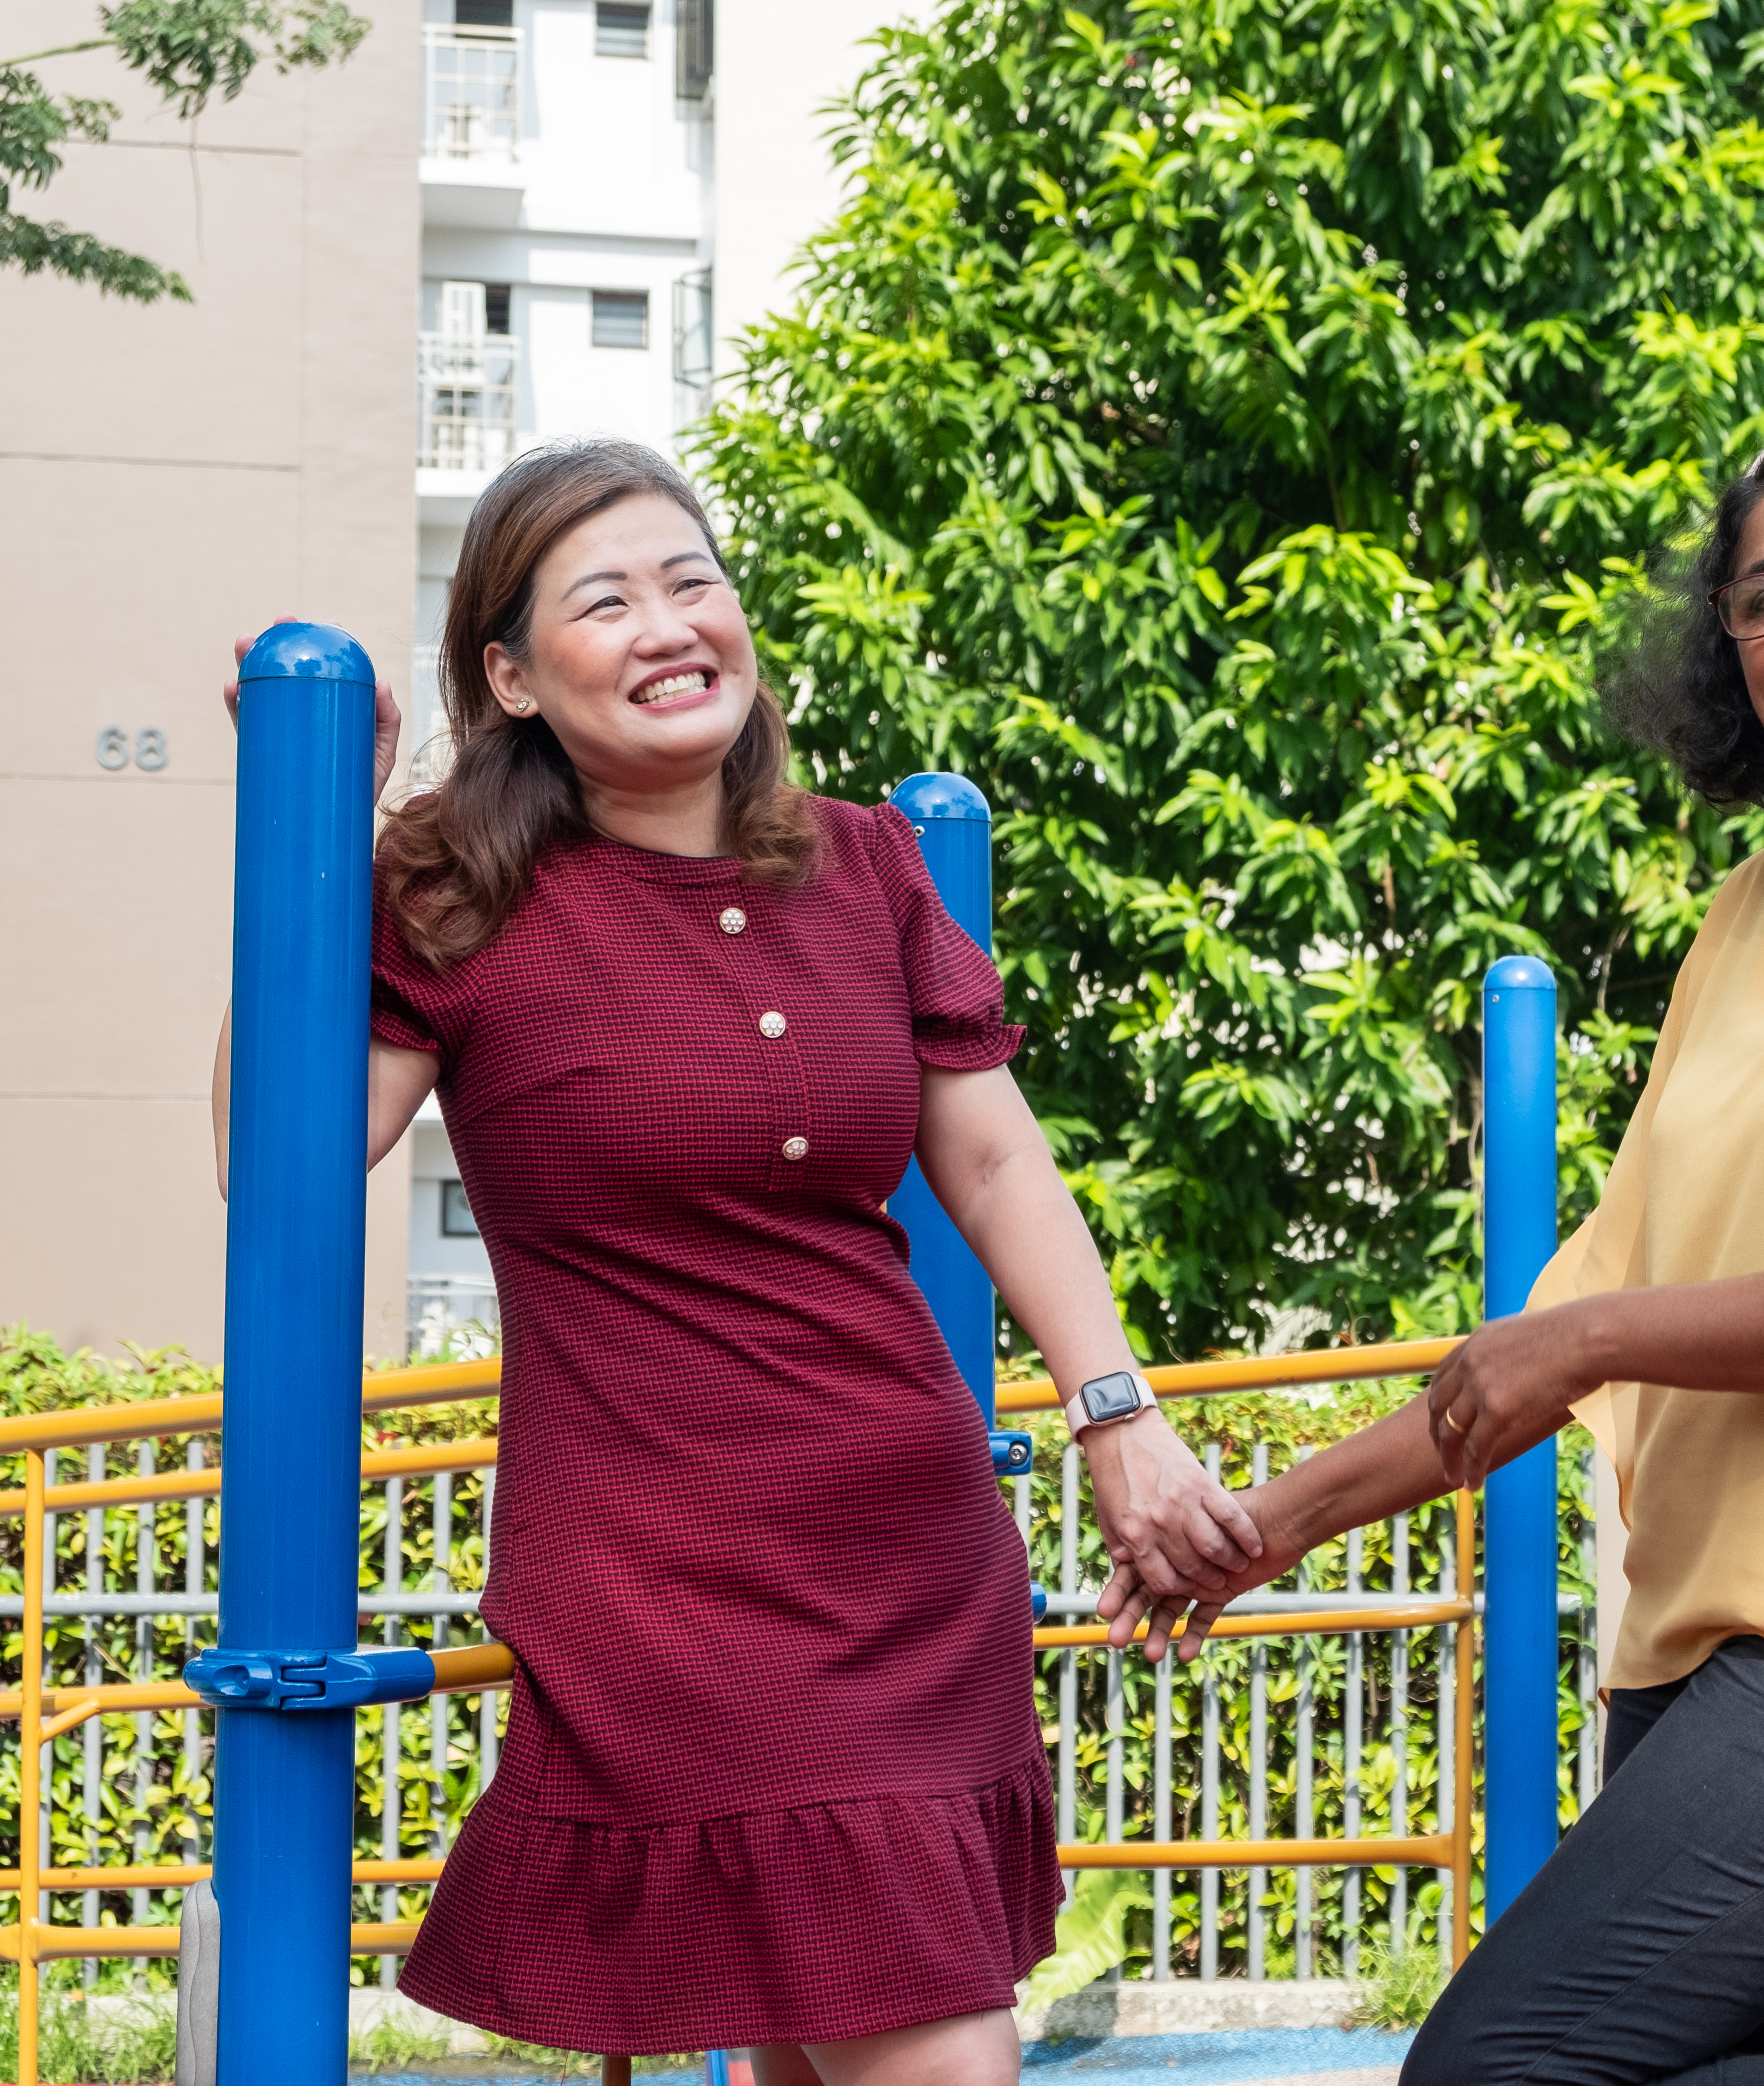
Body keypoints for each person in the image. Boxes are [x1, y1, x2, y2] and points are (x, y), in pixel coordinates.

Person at [210, 439, 1258, 2084]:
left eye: (691, 579)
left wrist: (1116, 1409)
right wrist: (321, 857)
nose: (667, 624)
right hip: (668, 1586)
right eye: (603, 601)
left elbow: (990, 1158)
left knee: (815, 2054)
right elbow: (272, 1164)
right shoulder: (455, 891)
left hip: (914, 1561)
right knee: (938, 2058)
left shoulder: (866, 863)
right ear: (512, 678)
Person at [1106, 412, 1764, 2085]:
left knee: (1496, 2072)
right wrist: (1268, 1525)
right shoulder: (1757, 907)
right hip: (1692, 1632)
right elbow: (1570, 1314)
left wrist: (1595, 1343)